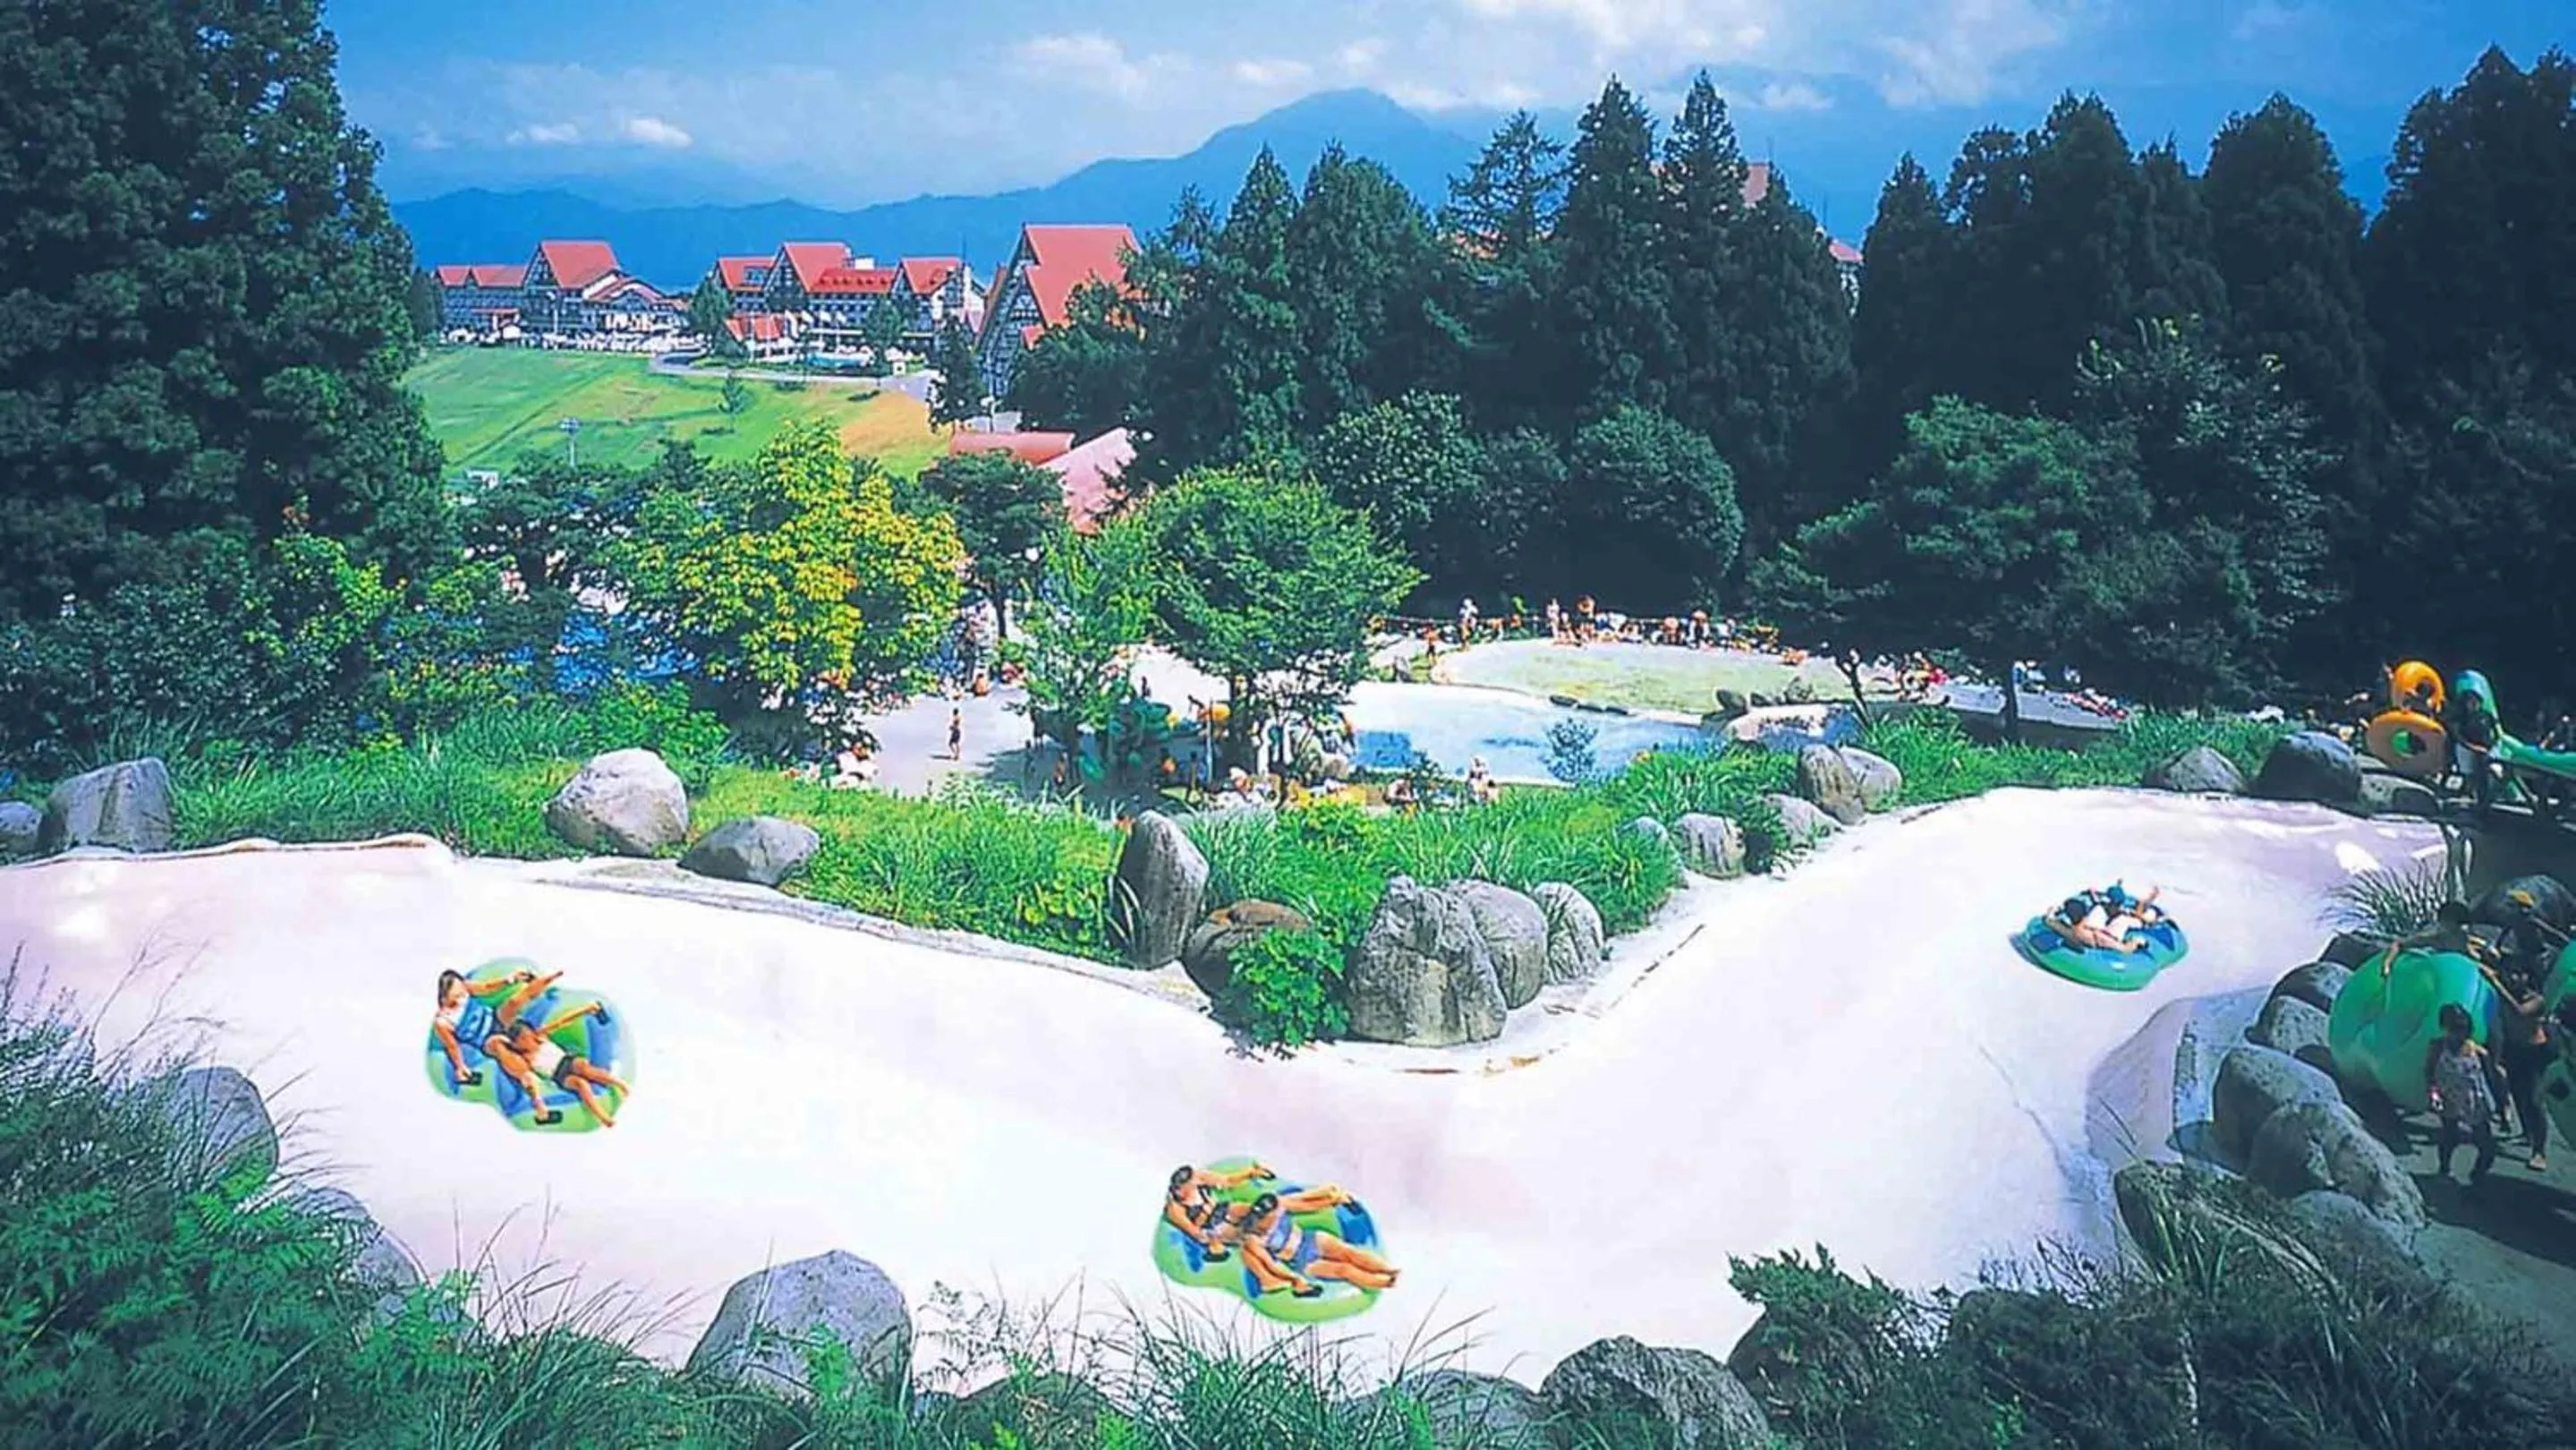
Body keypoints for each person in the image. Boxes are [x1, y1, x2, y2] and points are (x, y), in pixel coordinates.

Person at [1222, 1191, 1399, 1297]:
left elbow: (1305, 1206)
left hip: (1310, 1239)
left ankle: (1388, 1270)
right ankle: (1385, 1282)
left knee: (1349, 1253)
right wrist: (1293, 1279)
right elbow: (1270, 1265)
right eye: (1268, 1218)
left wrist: (1331, 1201)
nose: (1273, 1219)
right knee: (1343, 1270)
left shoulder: (1279, 1206)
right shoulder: (1253, 1239)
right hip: (1302, 1260)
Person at [496, 1001, 627, 1128]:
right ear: (516, 1045)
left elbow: (563, 1021)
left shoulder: (541, 1036)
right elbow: (525, 1077)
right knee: (581, 1084)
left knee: (584, 1069)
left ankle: (620, 1084)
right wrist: (538, 1101)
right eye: (522, 1039)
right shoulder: (525, 1059)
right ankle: (603, 1117)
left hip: (568, 1061)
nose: (527, 1040)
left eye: (527, 1035)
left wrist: (586, 1010)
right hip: (558, 1075)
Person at [2426, 1001, 2509, 1182]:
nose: (2459, 1033)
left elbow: (2494, 1079)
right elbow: (2430, 1073)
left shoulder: (2478, 1052)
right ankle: (2444, 1169)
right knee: (2449, 1136)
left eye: (2463, 1027)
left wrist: (2503, 1110)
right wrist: (2433, 1094)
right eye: (2454, 1027)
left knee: (2486, 1145)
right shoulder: (2438, 1047)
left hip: (2474, 1099)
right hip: (2449, 1097)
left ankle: (2477, 1175)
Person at [430, 968, 535, 1088]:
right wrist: (460, 1066)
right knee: (498, 1047)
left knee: (513, 1003)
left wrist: (510, 979)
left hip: (494, 1018)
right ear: (445, 997)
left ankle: (538, 984)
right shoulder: (443, 1022)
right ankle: (525, 1077)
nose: (461, 998)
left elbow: (486, 988)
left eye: (462, 992)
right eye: (456, 996)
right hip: (485, 1039)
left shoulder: (466, 987)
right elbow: (452, 1046)